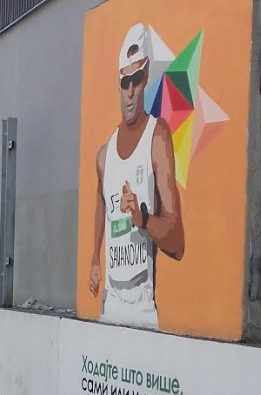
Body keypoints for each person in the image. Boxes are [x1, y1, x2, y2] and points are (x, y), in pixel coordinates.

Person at [89, 23, 185, 330]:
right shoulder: (104, 154)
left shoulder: (157, 137)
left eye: (137, 80)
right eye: (124, 81)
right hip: (109, 307)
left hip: (143, 310)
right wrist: (94, 258)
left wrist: (142, 219)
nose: (130, 91)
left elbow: (178, 243)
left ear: (146, 80)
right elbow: (101, 202)